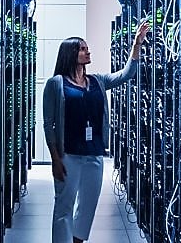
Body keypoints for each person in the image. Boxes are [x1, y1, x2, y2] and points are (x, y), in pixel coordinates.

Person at [42, 19, 150, 243]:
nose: (88, 51)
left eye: (87, 48)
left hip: (94, 153)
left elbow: (126, 75)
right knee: (64, 205)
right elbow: (48, 123)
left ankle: (77, 241)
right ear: (71, 54)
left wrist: (136, 45)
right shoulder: (56, 84)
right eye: (83, 49)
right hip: (68, 155)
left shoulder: (97, 81)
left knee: (88, 205)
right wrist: (55, 159)